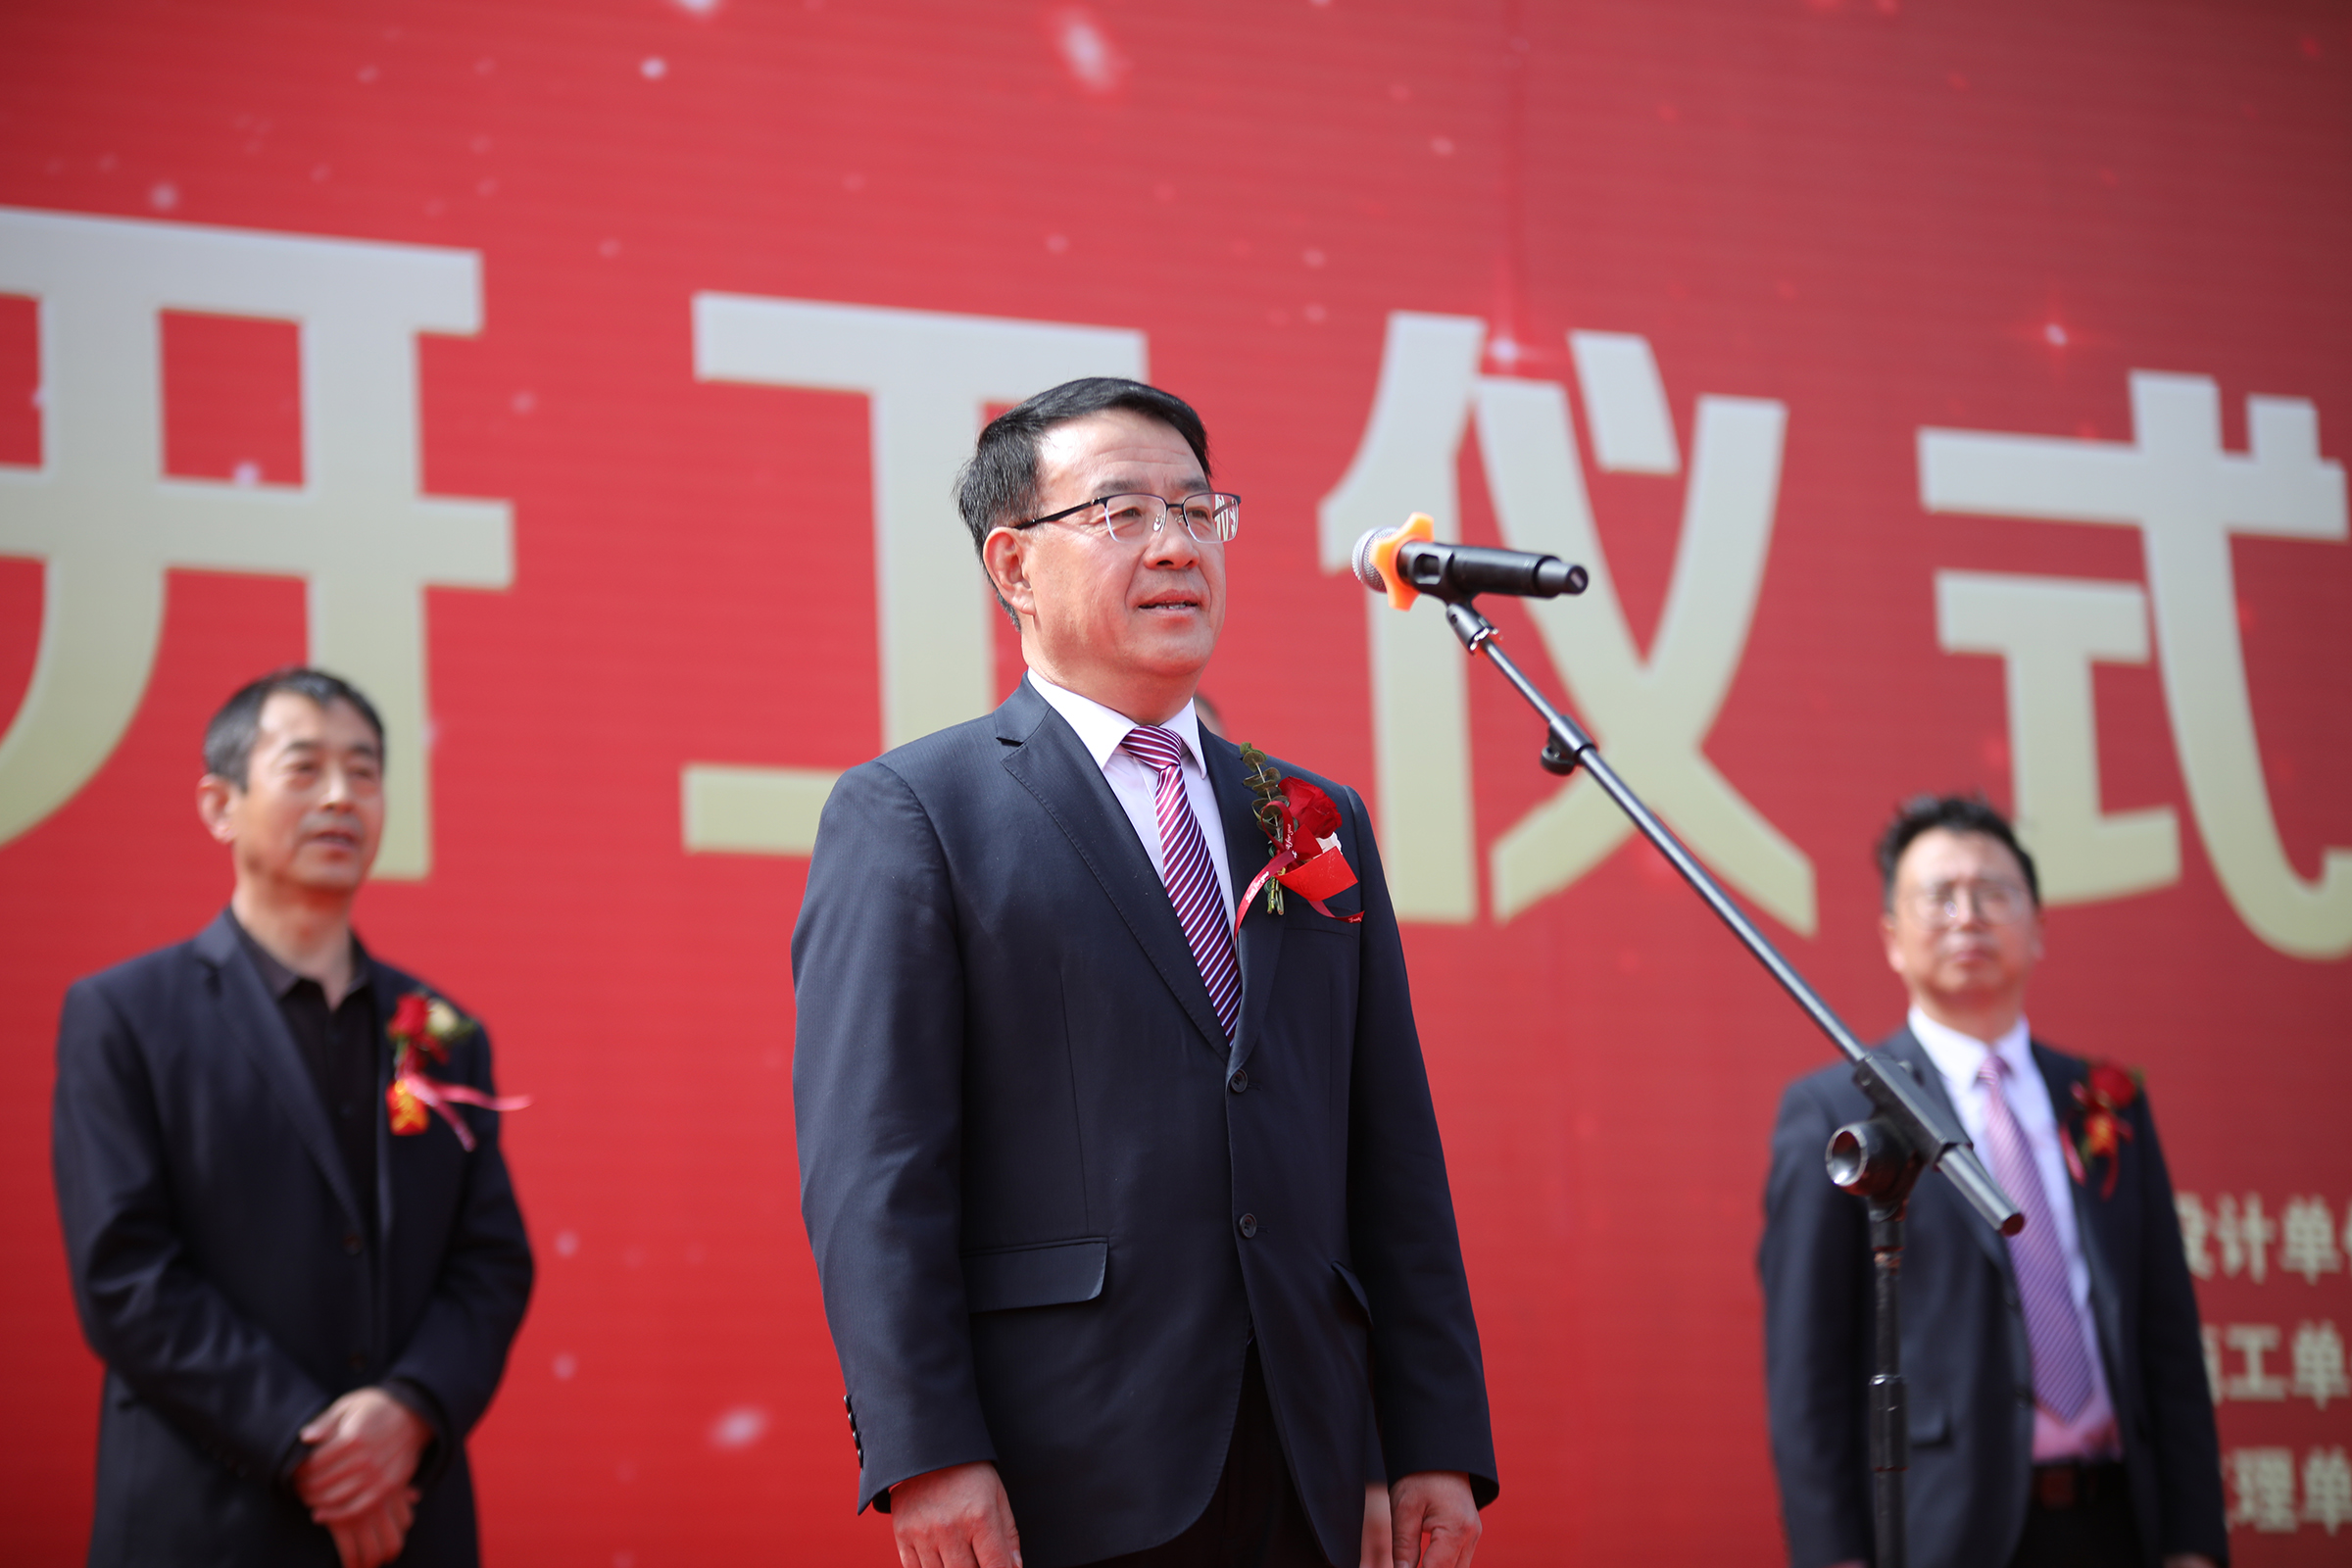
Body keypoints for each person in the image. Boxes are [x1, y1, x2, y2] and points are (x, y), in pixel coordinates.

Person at [792, 378, 1496, 1568]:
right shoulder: (917, 812)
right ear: (1014, 565)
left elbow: (1391, 1152)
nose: (1177, 546)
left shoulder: (1311, 816)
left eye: (1198, 510)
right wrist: (925, 1446)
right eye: (1121, 512)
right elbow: (876, 1167)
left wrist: (1427, 1432)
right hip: (1064, 1458)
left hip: (1314, 1456)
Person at [50, 669, 533, 1568]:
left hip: (407, 1520)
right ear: (220, 805)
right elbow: (126, 1273)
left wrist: (409, 1411)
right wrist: (305, 1442)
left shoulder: (442, 1033)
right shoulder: (125, 1016)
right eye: (304, 768)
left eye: (364, 770)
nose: (342, 796)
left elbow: (491, 1263)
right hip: (205, 1519)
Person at [1758, 796, 2226, 1568]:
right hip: (1941, 1528)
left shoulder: (2104, 1100)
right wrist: (1834, 1555)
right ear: (1891, 938)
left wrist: (2194, 1542)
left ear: (2039, 928)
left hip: (2117, 1522)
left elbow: (2167, 1336)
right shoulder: (1837, 1113)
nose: (1967, 915)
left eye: (1993, 892)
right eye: (1939, 896)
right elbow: (1806, 1371)